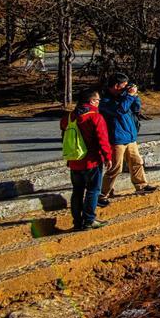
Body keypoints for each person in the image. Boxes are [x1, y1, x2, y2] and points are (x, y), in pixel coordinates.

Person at [99, 73, 155, 205]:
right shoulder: (105, 101)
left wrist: (134, 97)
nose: (126, 89)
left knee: (137, 161)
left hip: (129, 136)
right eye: (123, 86)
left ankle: (141, 185)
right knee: (115, 168)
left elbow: (136, 108)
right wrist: (129, 96)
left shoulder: (124, 97)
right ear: (116, 86)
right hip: (117, 138)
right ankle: (103, 193)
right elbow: (120, 110)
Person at [60, 88, 112, 231]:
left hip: (75, 161)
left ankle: (77, 221)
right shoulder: (95, 117)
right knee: (93, 190)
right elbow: (103, 139)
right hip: (92, 160)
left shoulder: (69, 117)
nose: (99, 103)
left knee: (77, 191)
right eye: (97, 100)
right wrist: (108, 157)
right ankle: (89, 220)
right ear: (91, 101)